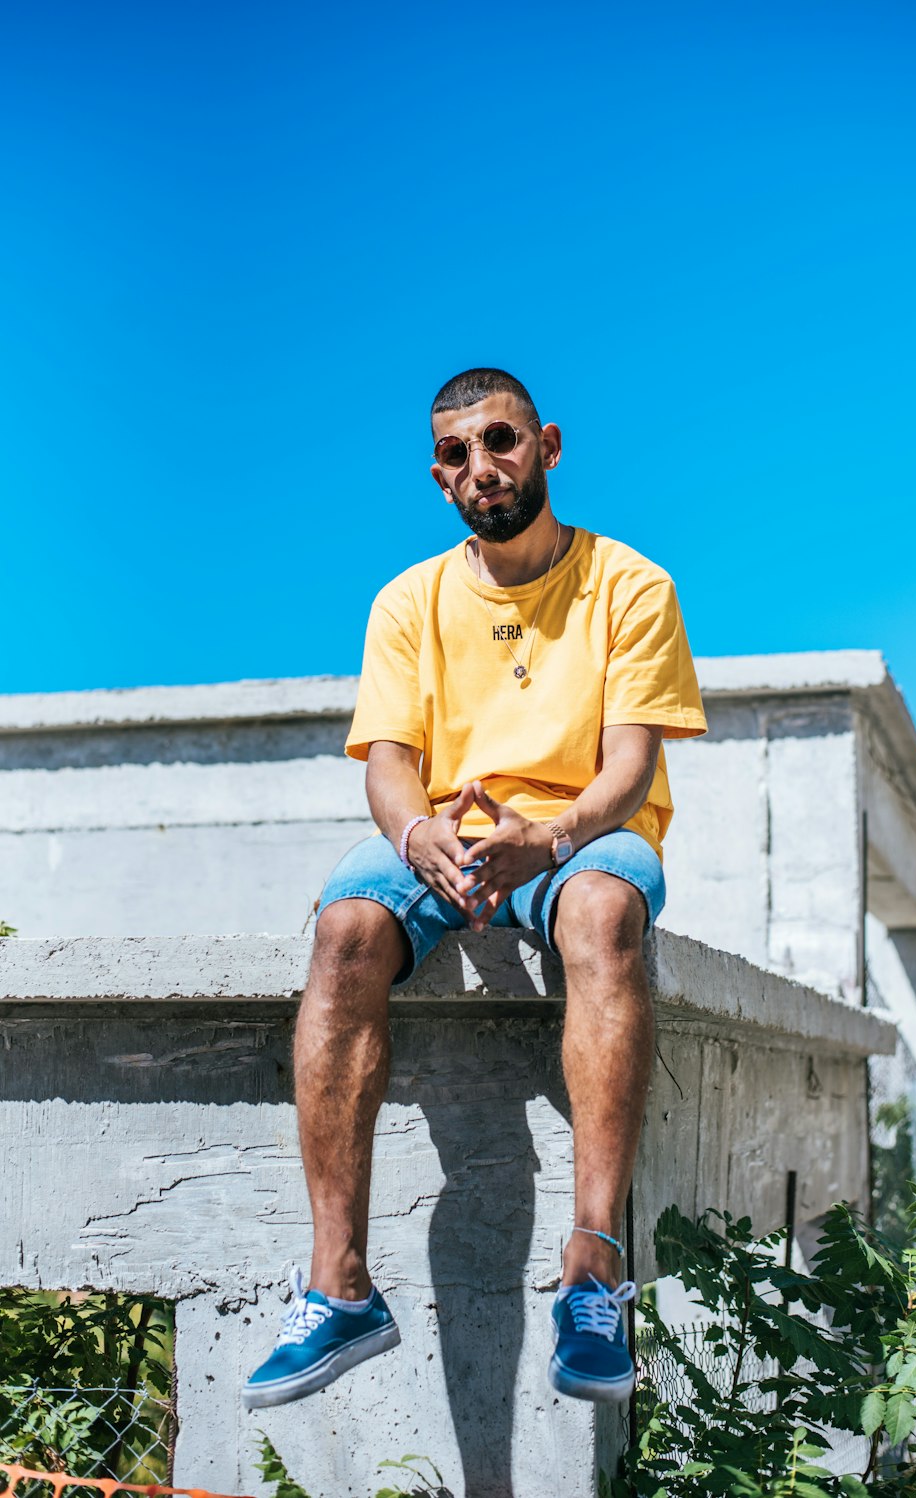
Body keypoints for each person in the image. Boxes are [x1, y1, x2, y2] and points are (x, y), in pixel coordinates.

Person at [242, 367, 707, 1411]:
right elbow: (386, 764)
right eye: (455, 455)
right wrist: (416, 835)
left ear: (545, 442)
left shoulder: (629, 583)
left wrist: (550, 836)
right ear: (437, 475)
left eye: (498, 441)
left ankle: (591, 1276)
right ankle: (339, 1287)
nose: (479, 469)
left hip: (581, 833)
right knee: (346, 926)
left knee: (603, 910)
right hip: (445, 836)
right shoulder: (408, 599)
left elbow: (628, 767)